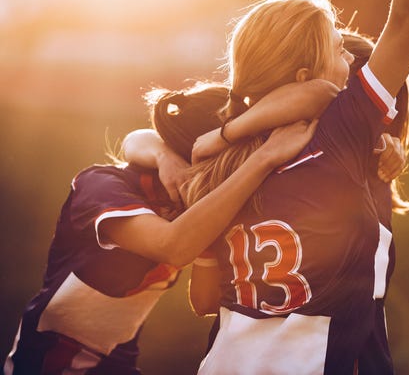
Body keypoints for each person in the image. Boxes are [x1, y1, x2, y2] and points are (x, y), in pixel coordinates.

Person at [182, 0, 409, 373]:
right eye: (338, 49)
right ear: (307, 74)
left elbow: (205, 298)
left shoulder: (218, 154)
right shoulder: (337, 133)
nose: (352, 60)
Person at [3, 84, 320, 375]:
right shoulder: (102, 187)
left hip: (118, 365)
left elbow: (206, 301)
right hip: (46, 365)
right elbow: (173, 246)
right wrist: (262, 160)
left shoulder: (191, 207)